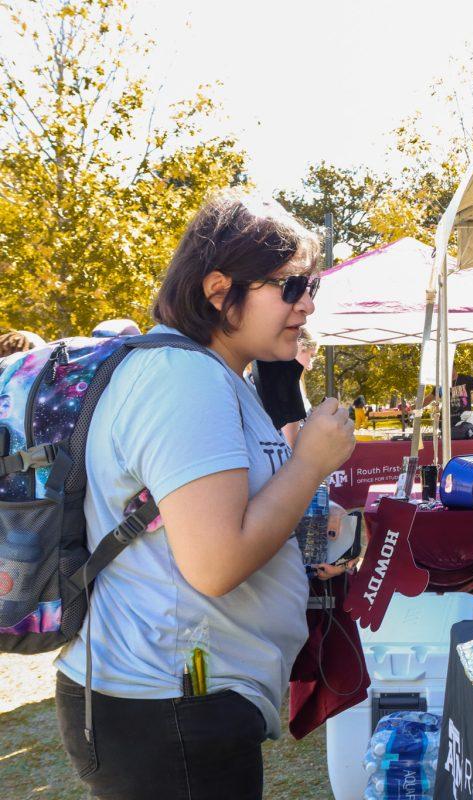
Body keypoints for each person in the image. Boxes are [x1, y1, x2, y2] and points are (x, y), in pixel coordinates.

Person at [53, 191, 356, 799]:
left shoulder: (215, 373)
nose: (308, 303)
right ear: (220, 289)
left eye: (311, 284)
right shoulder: (183, 379)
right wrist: (310, 462)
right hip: (168, 706)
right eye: (291, 285)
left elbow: (226, 516)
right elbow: (216, 564)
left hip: (181, 701)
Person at [281, 326, 318, 447]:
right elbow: (291, 442)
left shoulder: (290, 380)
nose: (310, 366)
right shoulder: (287, 381)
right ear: (299, 347)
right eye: (311, 356)